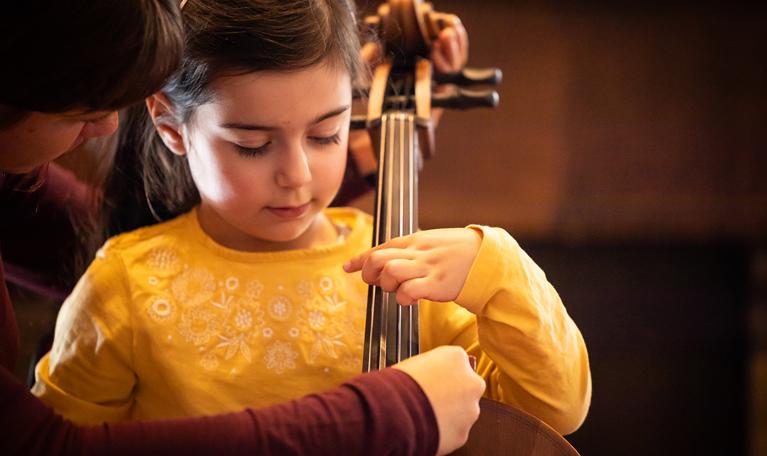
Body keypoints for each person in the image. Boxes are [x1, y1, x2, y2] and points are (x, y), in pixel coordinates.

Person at [31, 0, 592, 436]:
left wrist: (500, 268)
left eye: (326, 134)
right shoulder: (126, 286)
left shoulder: (409, 267)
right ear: (172, 125)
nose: (297, 175)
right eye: (253, 145)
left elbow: (553, 411)